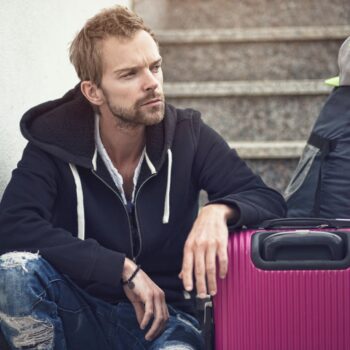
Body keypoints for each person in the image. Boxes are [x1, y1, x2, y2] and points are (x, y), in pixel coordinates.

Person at [0, 6, 286, 350]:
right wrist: (119, 269)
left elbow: (268, 199)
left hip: (167, 323)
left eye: (155, 67)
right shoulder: (52, 143)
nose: (152, 83)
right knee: (14, 271)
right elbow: (13, 226)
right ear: (93, 92)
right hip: (80, 311)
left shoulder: (187, 136)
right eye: (129, 74)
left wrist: (218, 210)